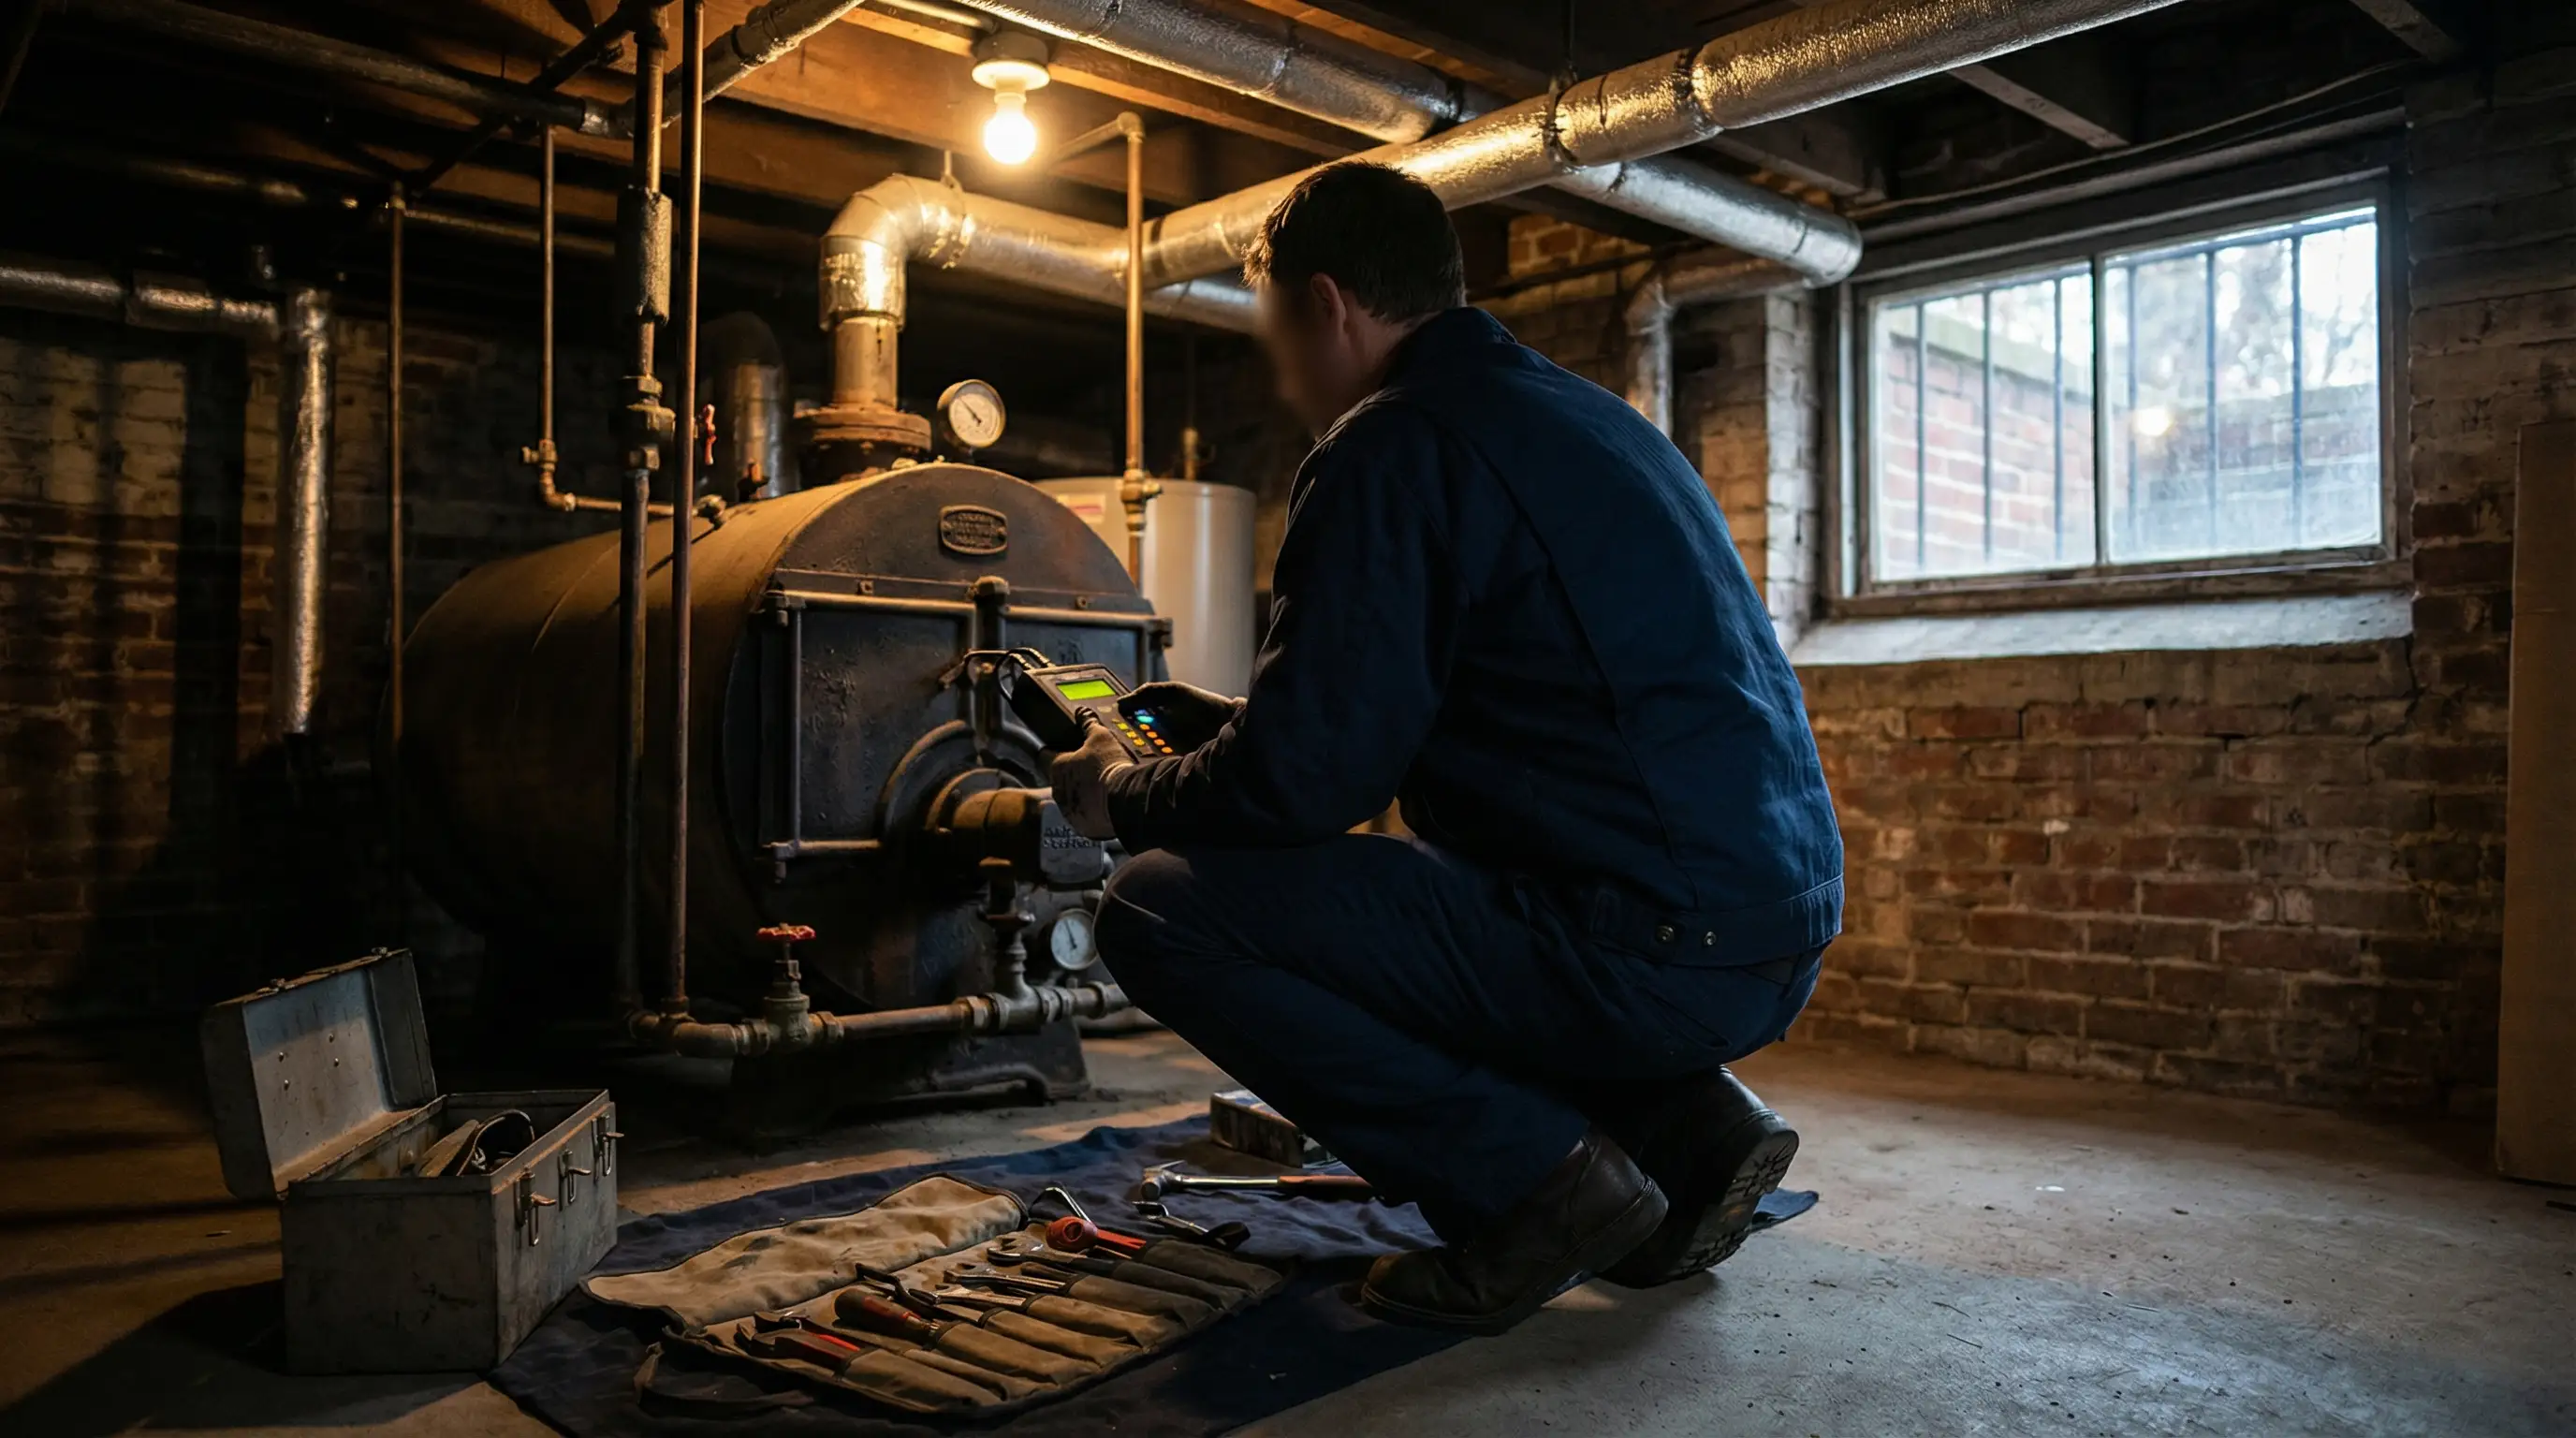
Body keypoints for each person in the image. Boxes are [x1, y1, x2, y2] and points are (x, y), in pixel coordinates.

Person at [1049, 162, 1842, 1335]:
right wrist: (1240, 733)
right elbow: (1393, 730)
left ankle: (1540, 1187)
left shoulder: (1391, 442)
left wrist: (1122, 797)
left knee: (1160, 908)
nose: (1279, 375)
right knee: (1431, 896)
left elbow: (1307, 788)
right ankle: (1693, 1130)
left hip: (1647, 953)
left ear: (1326, 307)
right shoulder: (1586, 419)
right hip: (1768, 937)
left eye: (1275, 336)